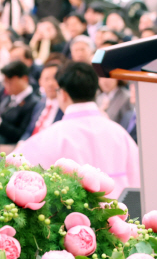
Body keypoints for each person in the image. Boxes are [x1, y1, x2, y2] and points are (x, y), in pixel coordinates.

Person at [14, 63, 140, 199]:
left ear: (63, 94)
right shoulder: (120, 133)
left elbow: (13, 170)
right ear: (95, 91)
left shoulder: (50, 137)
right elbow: (138, 181)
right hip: (122, 213)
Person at [20, 60, 64, 141]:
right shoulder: (40, 104)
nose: (50, 83)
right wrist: (21, 143)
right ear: (40, 82)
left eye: (55, 78)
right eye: (46, 79)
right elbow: (29, 131)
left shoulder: (65, 109)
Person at [0, 61, 41, 143]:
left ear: (24, 79)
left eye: (10, 82)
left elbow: (22, 134)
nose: (6, 85)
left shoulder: (34, 103)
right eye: (5, 82)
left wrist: (1, 124)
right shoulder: (8, 96)